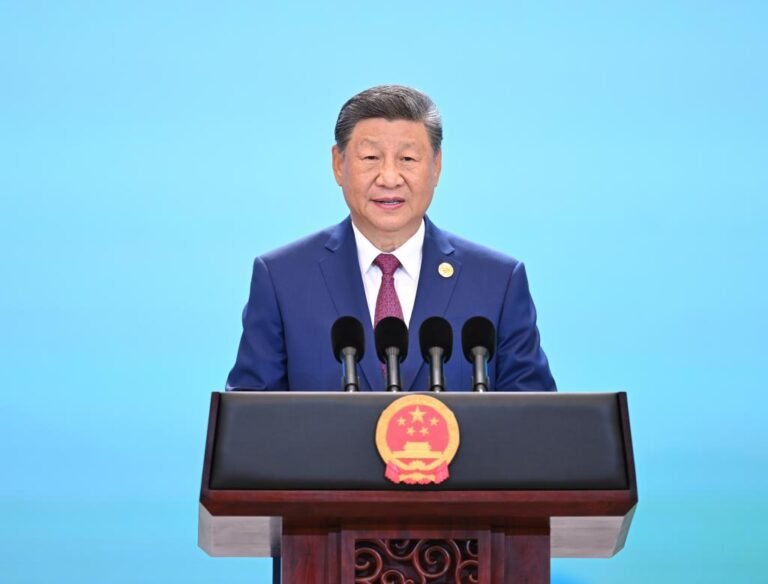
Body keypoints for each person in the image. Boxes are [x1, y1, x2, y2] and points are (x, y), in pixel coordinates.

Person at [226, 85, 555, 392]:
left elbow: (534, 422)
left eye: (408, 159)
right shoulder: (283, 278)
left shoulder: (497, 282)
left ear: (436, 166)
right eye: (370, 158)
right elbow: (250, 423)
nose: (389, 177)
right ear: (338, 164)